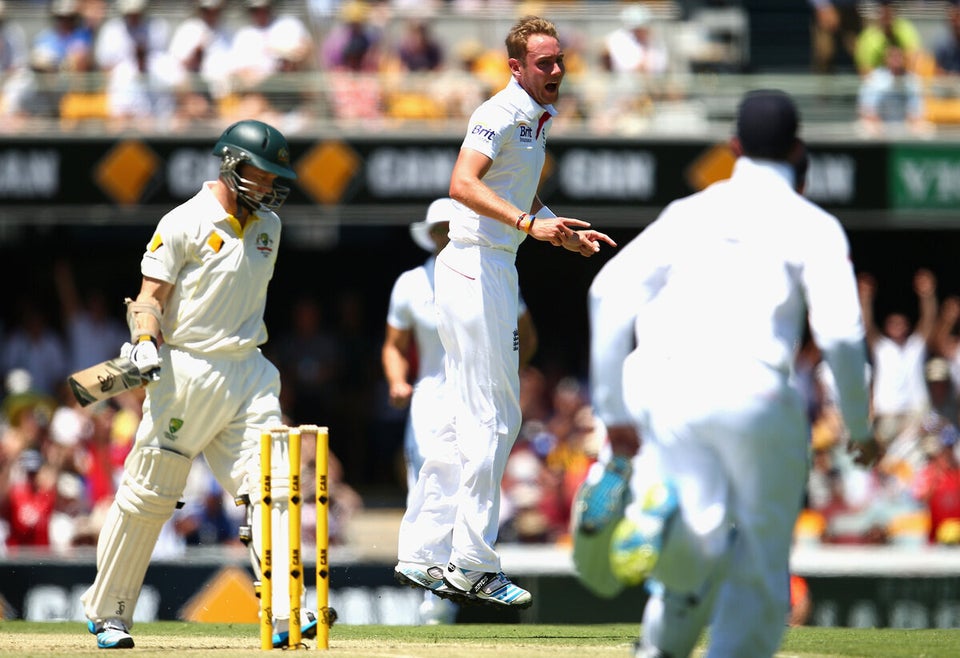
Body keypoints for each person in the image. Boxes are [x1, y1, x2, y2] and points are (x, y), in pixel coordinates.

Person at [580, 89, 877, 657]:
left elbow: (606, 292)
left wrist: (614, 415)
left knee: (701, 543)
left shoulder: (689, 212)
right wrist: (859, 428)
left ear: (734, 146)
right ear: (796, 149)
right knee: (761, 574)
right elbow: (841, 335)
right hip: (757, 395)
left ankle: (672, 544)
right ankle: (680, 533)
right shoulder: (814, 224)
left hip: (673, 395)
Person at [392, 15, 616, 611]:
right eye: (544, 63)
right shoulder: (500, 112)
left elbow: (516, 189)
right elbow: (462, 183)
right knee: (494, 418)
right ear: (516, 67)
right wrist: (527, 225)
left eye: (560, 60)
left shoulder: (536, 117)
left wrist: (552, 227)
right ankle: (471, 564)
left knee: (456, 419)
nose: (557, 71)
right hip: (478, 263)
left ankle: (421, 552)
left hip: (485, 263)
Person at [79, 119, 316, 650]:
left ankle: (284, 611)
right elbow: (149, 297)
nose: (272, 183)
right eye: (263, 171)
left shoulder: (268, 227)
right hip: (186, 373)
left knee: (274, 487)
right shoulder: (183, 221)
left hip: (250, 370)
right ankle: (109, 610)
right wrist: (144, 339)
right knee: (149, 498)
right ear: (232, 164)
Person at [384, 197, 538, 622]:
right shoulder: (416, 281)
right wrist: (399, 381)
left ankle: (429, 559)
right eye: (438, 229)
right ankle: (467, 565)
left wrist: (506, 370)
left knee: (466, 454)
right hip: (433, 393)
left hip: (470, 378)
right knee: (479, 442)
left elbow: (526, 335)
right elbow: (394, 346)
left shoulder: (479, 269)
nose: (442, 235)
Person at [858, 267, 938, 450]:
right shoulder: (882, 347)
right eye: (893, 324)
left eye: (901, 323)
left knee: (916, 462)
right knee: (886, 463)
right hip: (887, 412)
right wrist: (865, 298)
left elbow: (929, 319)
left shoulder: (915, 346)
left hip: (916, 412)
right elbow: (867, 325)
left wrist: (927, 294)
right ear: (886, 327)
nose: (897, 327)